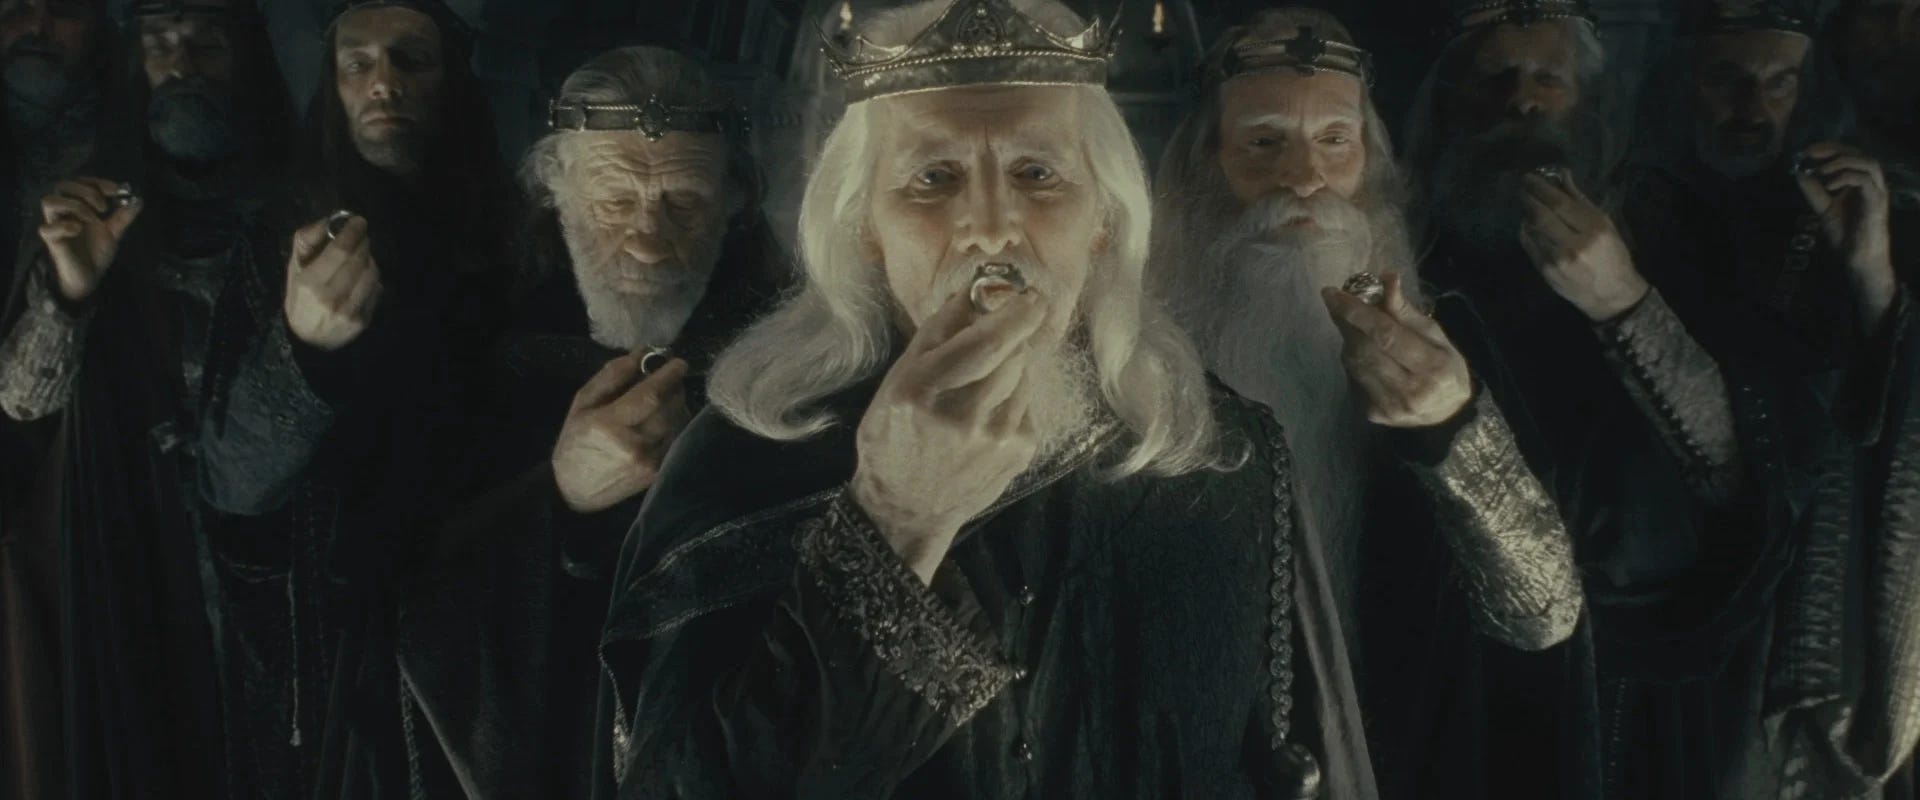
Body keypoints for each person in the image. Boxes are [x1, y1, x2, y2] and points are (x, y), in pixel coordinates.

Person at [591, 0, 1373, 797]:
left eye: (1038, 175)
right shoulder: (740, 459)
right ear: (866, 227)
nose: (993, 228)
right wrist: (896, 521)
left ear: (1103, 218)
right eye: (934, 179)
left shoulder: (1221, 452)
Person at [1149, 10, 1581, 798]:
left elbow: (1544, 614)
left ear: (1369, 167)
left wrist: (1449, 429)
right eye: (1264, 143)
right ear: (1206, 166)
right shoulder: (1139, 361)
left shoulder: (1450, 339)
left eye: (1334, 141)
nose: (1302, 178)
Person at [1402, 0, 1791, 796]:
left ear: (1588, 99)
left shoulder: (1670, 227)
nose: (1522, 101)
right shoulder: (1413, 245)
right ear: (1449, 101)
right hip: (1461, 660)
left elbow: (1744, 469)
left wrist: (1621, 299)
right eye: (1495, 77)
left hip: (1654, 672)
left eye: (1548, 78)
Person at [393, 45, 785, 797]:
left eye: (684, 202)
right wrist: (559, 499)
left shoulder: (783, 359)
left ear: (734, 200)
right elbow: (400, 594)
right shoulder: (470, 343)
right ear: (555, 190)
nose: (647, 240)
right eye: (614, 202)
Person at [192, 0, 518, 793]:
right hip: (335, 646)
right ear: (332, 83)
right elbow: (231, 481)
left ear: (453, 78)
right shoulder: (276, 241)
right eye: (358, 62)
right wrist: (303, 349)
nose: (383, 83)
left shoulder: (516, 238)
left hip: (486, 625)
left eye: (412, 59)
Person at [1619, 2, 1920, 796]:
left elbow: (1882, 423)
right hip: (1651, 576)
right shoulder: (1632, 204)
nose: (1751, 108)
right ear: (1682, 83)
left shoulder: (1855, 209)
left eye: (1779, 83)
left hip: (1798, 590)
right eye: (1725, 80)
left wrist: (1869, 274)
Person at [0, 2, 296, 796]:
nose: (183, 66)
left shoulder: (295, 211)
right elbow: (22, 403)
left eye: (206, 44)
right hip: (131, 550)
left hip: (277, 569)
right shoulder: (90, 209)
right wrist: (69, 292)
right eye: (162, 45)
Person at [0, 2, 108, 791]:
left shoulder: (121, 149)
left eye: (62, 8)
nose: (35, 25)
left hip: (82, 496)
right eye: (16, 9)